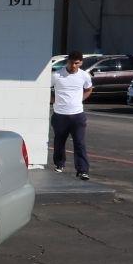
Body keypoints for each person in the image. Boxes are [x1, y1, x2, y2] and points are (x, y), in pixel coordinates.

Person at [50, 51, 93, 180]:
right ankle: (59, 165)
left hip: (77, 115)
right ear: (67, 61)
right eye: (71, 62)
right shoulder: (57, 75)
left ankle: (82, 170)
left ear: (80, 63)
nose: (73, 65)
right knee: (59, 141)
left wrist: (81, 99)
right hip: (60, 115)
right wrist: (54, 100)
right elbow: (45, 88)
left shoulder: (84, 76)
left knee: (79, 143)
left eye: (76, 63)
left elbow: (89, 89)